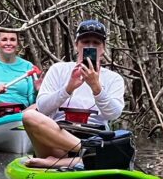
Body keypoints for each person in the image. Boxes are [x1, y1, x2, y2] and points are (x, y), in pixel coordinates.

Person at [21, 19, 125, 168]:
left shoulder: (114, 79)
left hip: (95, 136)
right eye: (85, 42)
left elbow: (113, 114)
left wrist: (97, 88)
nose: (90, 46)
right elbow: (42, 108)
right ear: (76, 45)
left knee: (111, 146)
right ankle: (88, 153)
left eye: (96, 43)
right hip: (58, 139)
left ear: (103, 48)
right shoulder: (58, 70)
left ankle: (59, 163)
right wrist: (68, 88)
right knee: (29, 116)